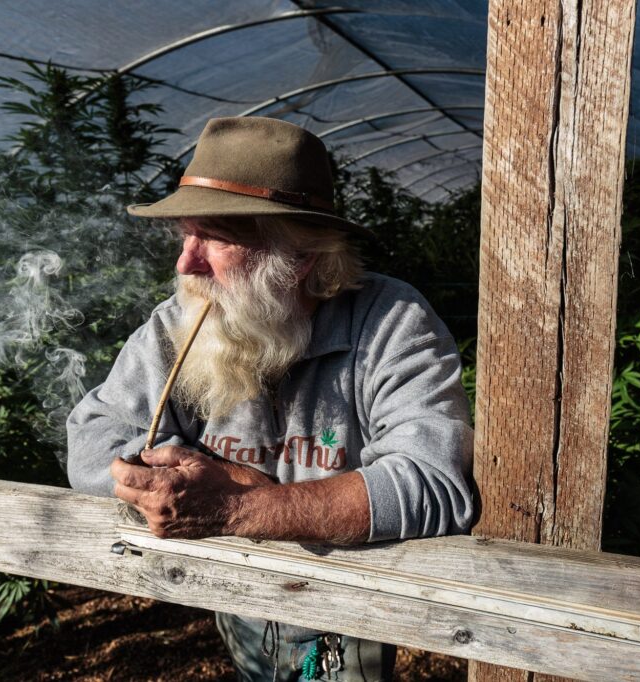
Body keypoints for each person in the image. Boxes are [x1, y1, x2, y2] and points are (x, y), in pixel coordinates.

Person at [66, 116, 474, 681]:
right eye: (186, 234)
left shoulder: (389, 321)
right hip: (238, 597)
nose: (187, 263)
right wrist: (190, 478)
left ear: (300, 255)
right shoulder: (177, 324)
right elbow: (93, 436)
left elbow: (433, 483)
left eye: (215, 237)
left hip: (354, 608)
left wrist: (237, 506)